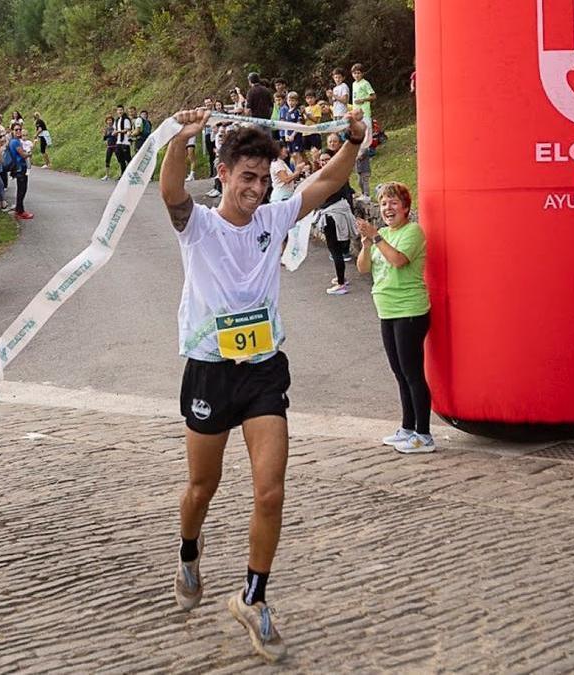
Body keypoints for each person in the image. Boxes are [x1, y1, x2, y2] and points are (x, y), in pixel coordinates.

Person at [161, 107, 368, 663]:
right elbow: (172, 188)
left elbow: (327, 181)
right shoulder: (198, 225)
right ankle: (188, 550)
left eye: (262, 178)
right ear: (223, 174)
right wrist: (182, 138)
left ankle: (253, 597)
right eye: (244, 177)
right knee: (202, 487)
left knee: (269, 490)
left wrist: (352, 141)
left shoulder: (274, 220)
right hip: (208, 368)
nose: (255, 188)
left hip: (262, 370)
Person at [356, 182, 434, 453]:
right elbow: (363, 268)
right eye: (383, 204)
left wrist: (376, 237)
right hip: (387, 310)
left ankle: (424, 435)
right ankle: (407, 428)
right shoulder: (383, 235)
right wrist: (367, 244)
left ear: (405, 208)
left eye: (393, 203)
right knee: (399, 373)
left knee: (413, 373)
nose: (388, 208)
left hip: (409, 311)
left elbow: (399, 261)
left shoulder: (412, 232)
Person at [313, 147, 357, 295]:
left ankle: (341, 283)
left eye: (327, 159)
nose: (324, 162)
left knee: (335, 251)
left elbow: (322, 198)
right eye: (322, 160)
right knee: (337, 250)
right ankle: (341, 278)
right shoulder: (340, 173)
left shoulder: (329, 177)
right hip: (338, 214)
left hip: (332, 216)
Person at [8, 122, 33, 220]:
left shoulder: (15, 141)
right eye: (16, 130)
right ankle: (20, 211)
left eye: (20, 129)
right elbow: (22, 155)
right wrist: (29, 154)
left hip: (20, 167)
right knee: (22, 190)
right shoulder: (15, 142)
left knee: (21, 189)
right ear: (12, 131)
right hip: (20, 168)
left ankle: (19, 209)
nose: (18, 131)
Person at [113, 104, 133, 173]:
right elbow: (115, 129)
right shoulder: (117, 120)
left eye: (121, 110)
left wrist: (118, 131)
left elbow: (127, 129)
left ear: (123, 110)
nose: (120, 111)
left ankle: (132, 172)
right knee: (120, 159)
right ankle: (123, 173)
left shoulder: (126, 119)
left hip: (125, 142)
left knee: (128, 158)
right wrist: (114, 133)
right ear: (117, 111)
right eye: (118, 110)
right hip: (118, 142)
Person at [101, 115, 118, 181]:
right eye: (108, 120)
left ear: (113, 121)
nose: (109, 121)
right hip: (109, 146)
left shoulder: (115, 128)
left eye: (110, 120)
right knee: (107, 160)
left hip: (116, 146)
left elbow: (115, 135)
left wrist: (109, 135)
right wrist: (104, 134)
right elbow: (104, 138)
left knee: (119, 160)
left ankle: (121, 174)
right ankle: (107, 175)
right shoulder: (106, 129)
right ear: (106, 121)